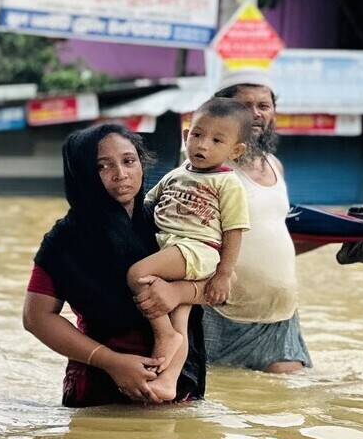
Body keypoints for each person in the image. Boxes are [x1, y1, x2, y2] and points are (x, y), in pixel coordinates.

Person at [137, 70, 316, 373]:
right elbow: (183, 238)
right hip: (221, 311)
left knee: (283, 410)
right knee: (221, 405)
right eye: (246, 106)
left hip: (279, 314)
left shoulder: (275, 166)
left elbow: (270, 240)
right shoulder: (203, 171)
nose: (257, 115)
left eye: (264, 105)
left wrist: (347, 239)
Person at [25, 123, 207, 407]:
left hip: (177, 378)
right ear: (82, 173)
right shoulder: (65, 240)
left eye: (129, 161)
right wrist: (112, 362)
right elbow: (35, 318)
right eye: (102, 166)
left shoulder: (168, 220)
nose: (121, 175)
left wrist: (180, 293)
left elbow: (221, 284)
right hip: (101, 386)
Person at [123, 98, 253, 400]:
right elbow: (144, 206)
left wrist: (224, 274)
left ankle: (163, 335)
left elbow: (234, 231)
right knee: (179, 316)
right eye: (197, 135)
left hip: (197, 249)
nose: (203, 145)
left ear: (235, 151)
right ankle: (168, 381)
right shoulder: (176, 174)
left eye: (217, 140)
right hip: (174, 249)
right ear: (186, 136)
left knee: (138, 274)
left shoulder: (228, 184)